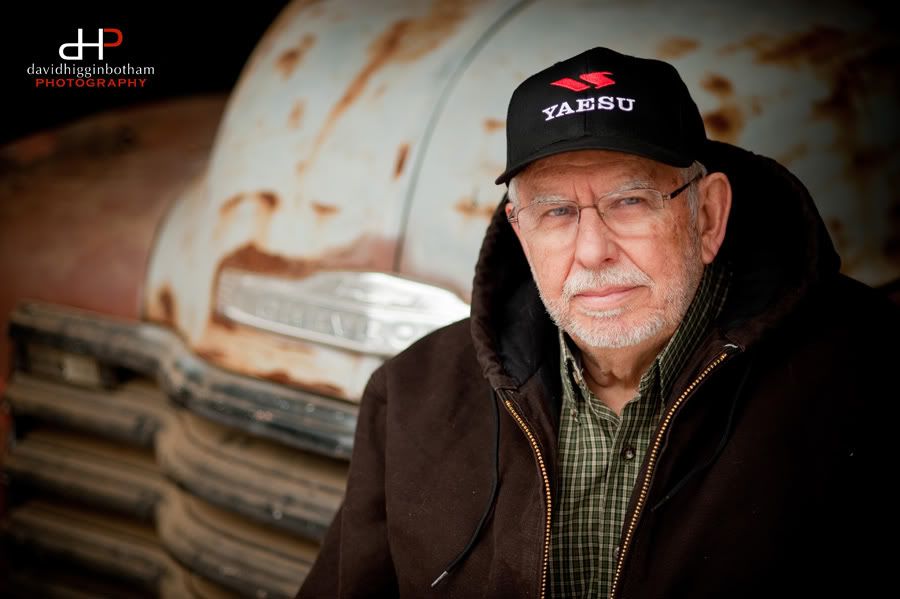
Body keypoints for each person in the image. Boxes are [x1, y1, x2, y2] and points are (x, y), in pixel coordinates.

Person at [298, 47, 899, 598]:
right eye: (557, 212)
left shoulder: (869, 375)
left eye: (630, 201)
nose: (592, 252)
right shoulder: (410, 396)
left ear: (708, 217)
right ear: (521, 232)